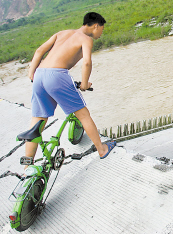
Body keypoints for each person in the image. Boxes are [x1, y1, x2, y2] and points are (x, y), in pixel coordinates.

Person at [24, 12, 115, 163]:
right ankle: (102, 149)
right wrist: (85, 84)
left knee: (38, 119)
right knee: (83, 115)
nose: (101, 32)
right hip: (57, 75)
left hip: (40, 73)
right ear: (95, 26)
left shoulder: (61, 33)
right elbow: (86, 62)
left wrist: (31, 72)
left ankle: (28, 166)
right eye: (102, 29)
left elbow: (40, 51)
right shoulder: (86, 39)